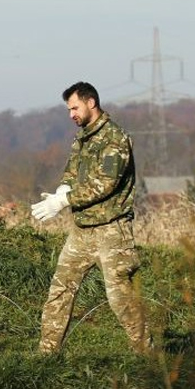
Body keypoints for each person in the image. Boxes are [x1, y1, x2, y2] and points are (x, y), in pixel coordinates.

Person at [31, 81, 151, 355]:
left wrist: (64, 201)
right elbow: (72, 172)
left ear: (91, 102)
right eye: (68, 109)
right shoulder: (83, 137)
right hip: (83, 230)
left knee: (120, 298)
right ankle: (47, 354)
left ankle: (147, 354)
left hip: (112, 231)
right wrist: (61, 191)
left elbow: (105, 184)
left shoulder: (115, 138)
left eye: (74, 107)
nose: (71, 114)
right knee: (59, 291)